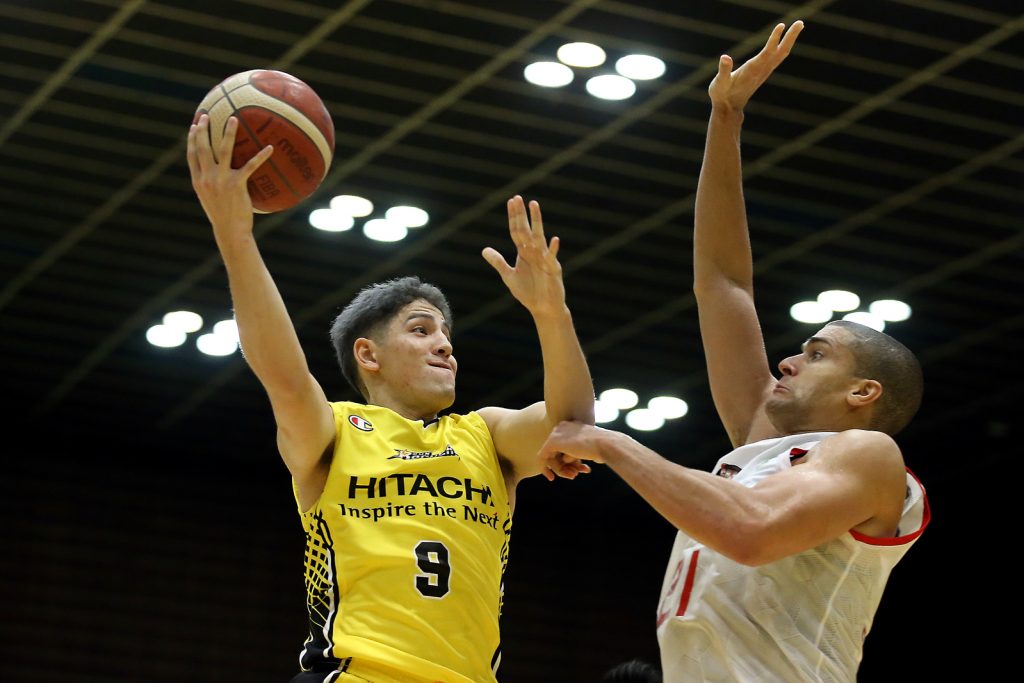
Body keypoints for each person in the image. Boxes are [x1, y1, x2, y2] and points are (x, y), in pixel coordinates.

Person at [538, 21, 930, 683]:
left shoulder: (869, 456)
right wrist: (725, 117)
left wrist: (613, 443)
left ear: (864, 392)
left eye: (817, 352)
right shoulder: (760, 438)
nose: (787, 359)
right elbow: (723, 281)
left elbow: (752, 533)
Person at [186, 114, 594, 683]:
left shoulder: (485, 434)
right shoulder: (335, 431)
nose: (445, 347)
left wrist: (552, 312)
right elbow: (282, 373)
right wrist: (235, 237)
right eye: (422, 330)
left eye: (447, 336)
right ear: (368, 356)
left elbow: (574, 423)